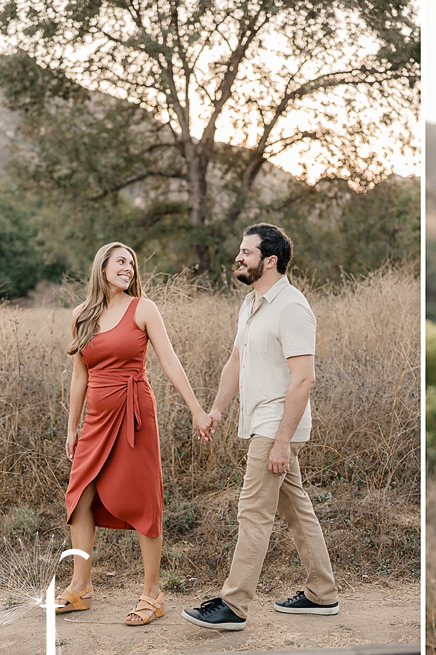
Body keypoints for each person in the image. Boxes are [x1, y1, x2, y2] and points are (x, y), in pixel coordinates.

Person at [181, 223, 338, 632]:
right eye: (240, 251)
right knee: (296, 508)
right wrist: (217, 409)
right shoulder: (251, 304)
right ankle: (322, 593)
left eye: (246, 252)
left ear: (270, 260)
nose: (238, 257)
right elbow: (236, 361)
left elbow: (304, 379)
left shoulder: (292, 308)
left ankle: (233, 605)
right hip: (261, 422)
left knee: (252, 513)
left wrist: (282, 442)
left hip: (276, 424)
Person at [61, 242, 213, 625]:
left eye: (131, 263)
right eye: (121, 262)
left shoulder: (143, 309)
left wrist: (196, 409)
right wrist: (72, 427)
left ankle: (152, 593)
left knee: (145, 499)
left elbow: (169, 360)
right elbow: (79, 376)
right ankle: (81, 587)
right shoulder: (80, 315)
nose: (128, 268)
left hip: (135, 414)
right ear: (102, 267)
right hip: (95, 419)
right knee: (79, 496)